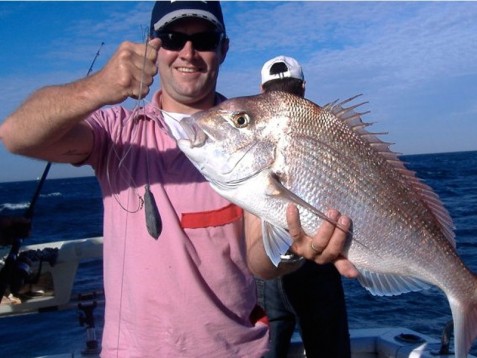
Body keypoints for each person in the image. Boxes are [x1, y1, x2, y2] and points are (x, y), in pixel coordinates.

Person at [0, 2, 357, 356]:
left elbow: (258, 261)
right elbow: (17, 134)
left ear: (223, 48)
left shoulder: (251, 134)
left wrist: (294, 251)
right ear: (154, 46)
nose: (188, 52)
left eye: (203, 39)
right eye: (172, 38)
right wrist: (96, 89)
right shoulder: (117, 132)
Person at [258, 56, 351, 358]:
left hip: (271, 272)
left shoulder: (252, 142)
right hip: (314, 267)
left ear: (261, 91)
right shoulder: (331, 131)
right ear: (305, 89)